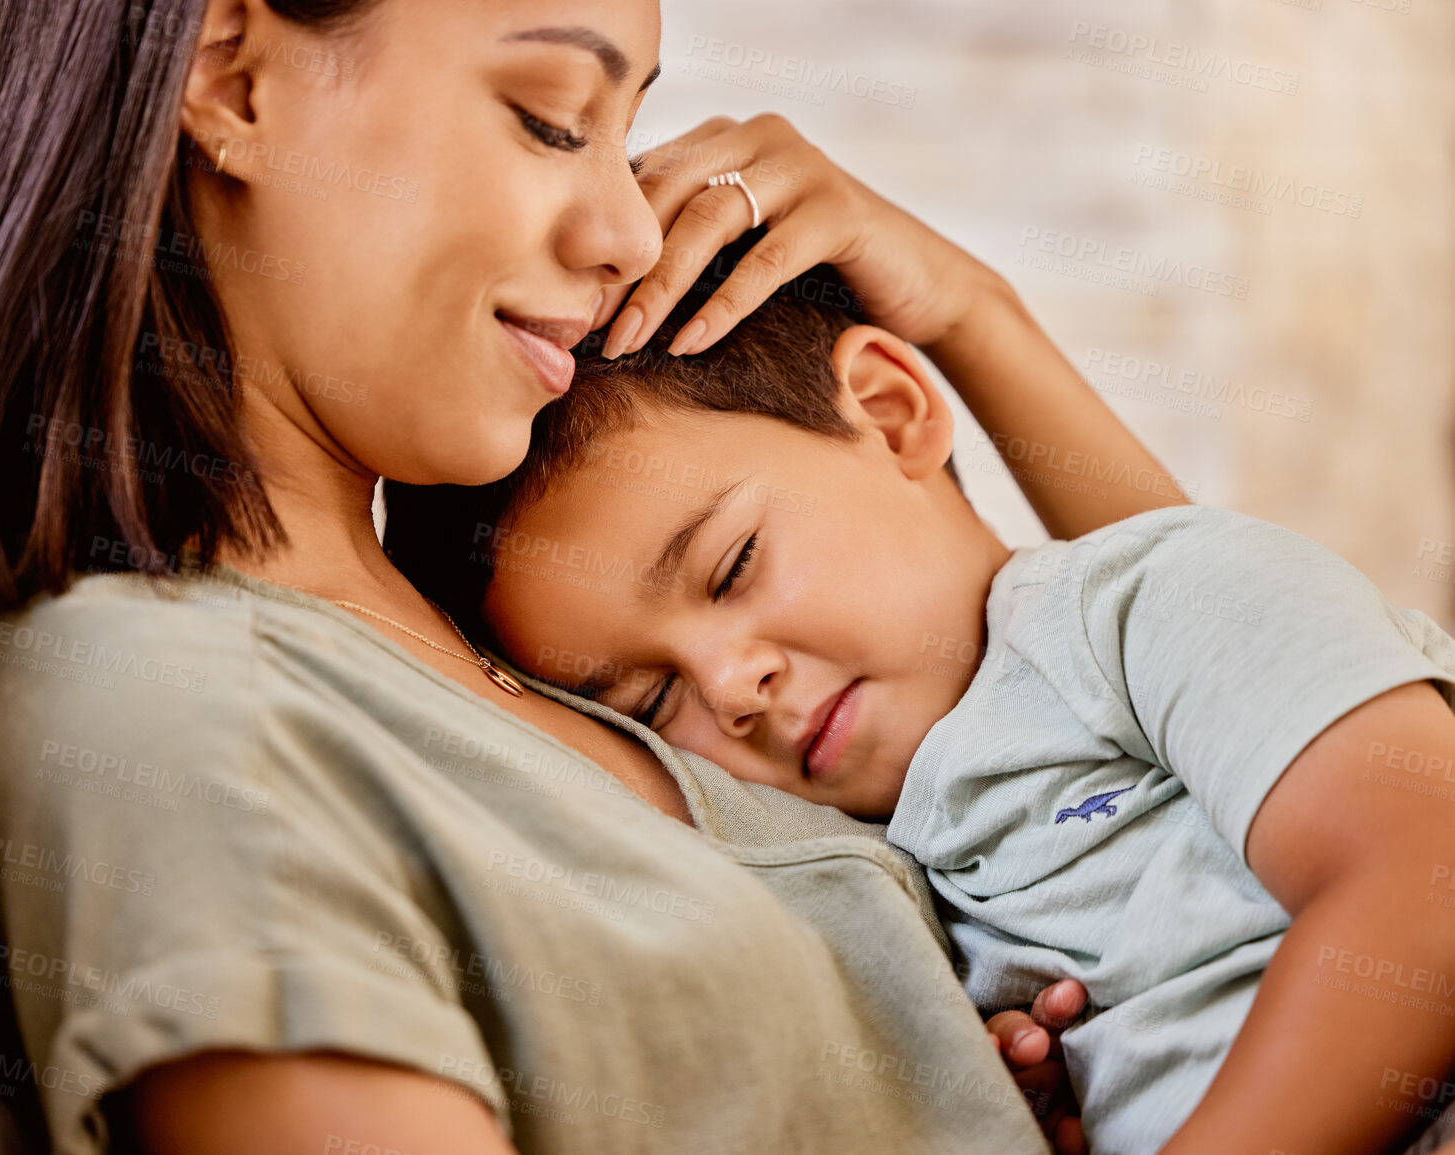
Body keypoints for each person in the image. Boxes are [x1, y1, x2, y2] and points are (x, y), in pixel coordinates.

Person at [0, 0, 1195, 1151]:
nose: (626, 228)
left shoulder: (506, 632)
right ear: (228, 79)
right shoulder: (180, 714)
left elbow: (1221, 725)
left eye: (625, 130)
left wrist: (962, 307)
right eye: (553, 117)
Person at [388, 239, 1455, 1155]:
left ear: (893, 415)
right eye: (651, 698)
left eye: (732, 566)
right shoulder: (876, 870)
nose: (731, 685)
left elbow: (1427, 876)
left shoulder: (1138, 603)